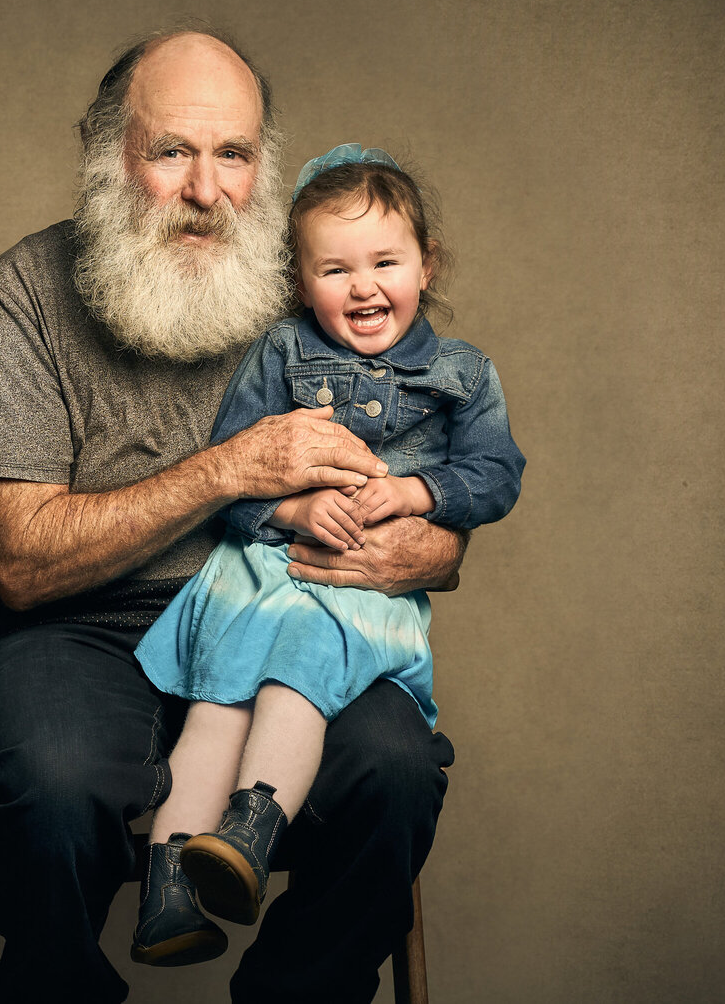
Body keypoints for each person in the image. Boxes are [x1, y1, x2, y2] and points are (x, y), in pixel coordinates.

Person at [0, 27, 464, 1004]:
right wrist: (227, 468)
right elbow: (18, 564)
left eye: (232, 153)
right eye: (172, 151)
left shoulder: (318, 283)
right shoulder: (22, 295)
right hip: (79, 629)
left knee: (396, 767)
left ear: (263, 165)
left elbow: (432, 505)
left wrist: (425, 540)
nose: (206, 187)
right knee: (59, 788)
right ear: (110, 157)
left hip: (282, 612)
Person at [131, 145, 524, 957]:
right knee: (215, 706)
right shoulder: (280, 351)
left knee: (297, 677)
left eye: (386, 261)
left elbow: (496, 474)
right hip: (264, 569)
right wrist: (295, 505)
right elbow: (230, 473)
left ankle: (249, 827)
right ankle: (169, 885)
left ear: (427, 263)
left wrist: (420, 494)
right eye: (335, 269)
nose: (364, 286)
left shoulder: (462, 373)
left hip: (354, 595)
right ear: (300, 280)